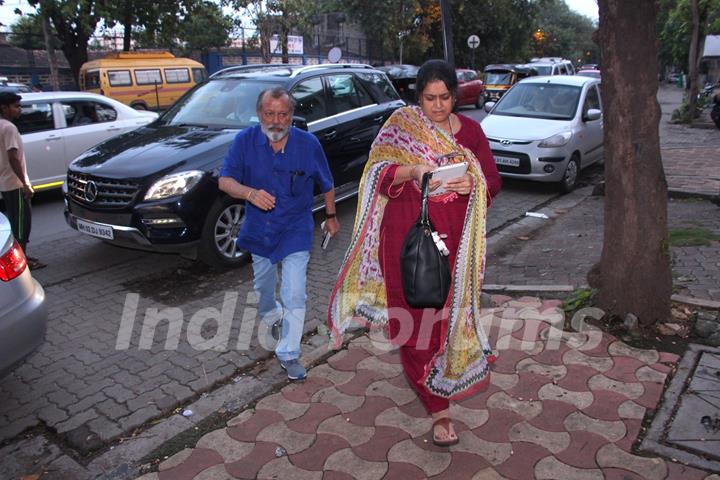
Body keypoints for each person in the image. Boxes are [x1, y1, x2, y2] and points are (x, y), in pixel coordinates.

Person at [328, 60, 501, 447]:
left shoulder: (471, 132)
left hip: (455, 244)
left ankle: (440, 379)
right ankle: (439, 408)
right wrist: (412, 172)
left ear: (455, 96)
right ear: (417, 96)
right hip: (406, 240)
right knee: (411, 318)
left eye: (444, 98)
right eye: (429, 98)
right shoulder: (401, 127)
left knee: (443, 319)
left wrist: (470, 183)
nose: (437, 106)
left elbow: (492, 181)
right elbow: (375, 175)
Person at [219, 87, 340, 381]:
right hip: (259, 230)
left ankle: (289, 353)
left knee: (294, 290)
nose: (276, 121)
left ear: (291, 115)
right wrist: (249, 193)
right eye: (270, 114)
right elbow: (224, 180)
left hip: (296, 229)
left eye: (283, 114)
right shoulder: (244, 141)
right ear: (260, 114)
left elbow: (327, 183)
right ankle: (272, 316)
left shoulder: (308, 144)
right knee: (263, 288)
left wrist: (332, 216)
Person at [0, 92, 44, 270]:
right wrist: (25, 184)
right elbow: (12, 157)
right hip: (14, 184)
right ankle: (22, 261)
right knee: (22, 224)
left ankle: (23, 256)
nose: (19, 110)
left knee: (16, 221)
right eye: (15, 106)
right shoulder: (9, 128)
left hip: (5, 183)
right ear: (4, 108)